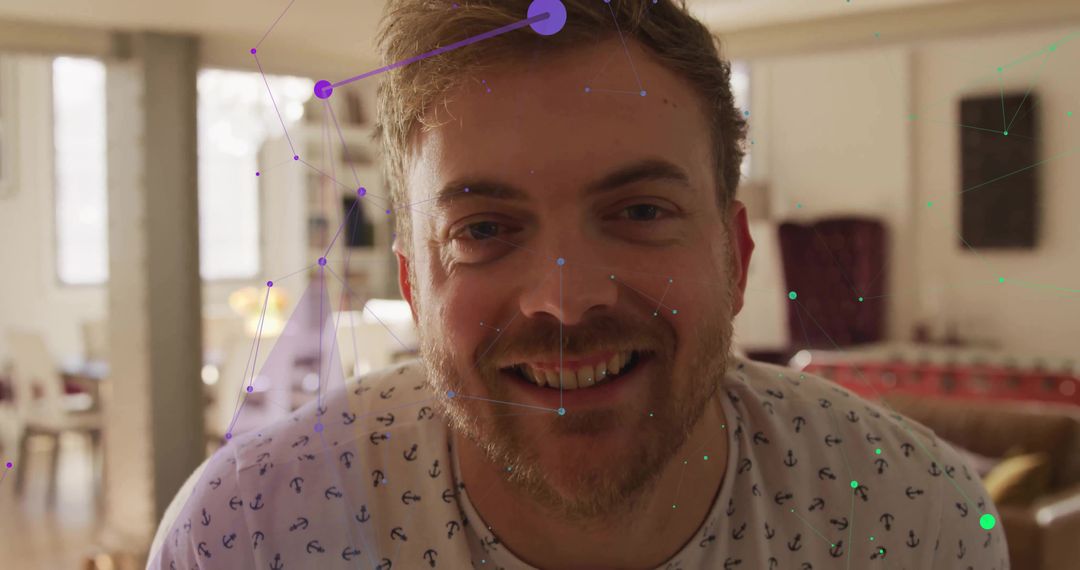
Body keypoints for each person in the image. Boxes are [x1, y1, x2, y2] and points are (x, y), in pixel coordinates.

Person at [148, 1, 1009, 568]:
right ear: (415, 288)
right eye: (483, 230)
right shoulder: (247, 538)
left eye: (638, 212)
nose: (565, 300)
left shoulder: (914, 522)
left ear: (734, 259)